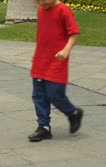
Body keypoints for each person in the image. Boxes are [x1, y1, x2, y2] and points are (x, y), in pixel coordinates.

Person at [28, 0, 83, 142]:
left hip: (57, 60)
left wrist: (66, 50)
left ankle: (73, 113)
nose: (40, 3)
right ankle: (44, 127)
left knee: (55, 94)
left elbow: (74, 33)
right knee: (38, 95)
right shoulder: (41, 9)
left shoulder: (63, 10)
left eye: (42, 0)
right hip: (40, 60)